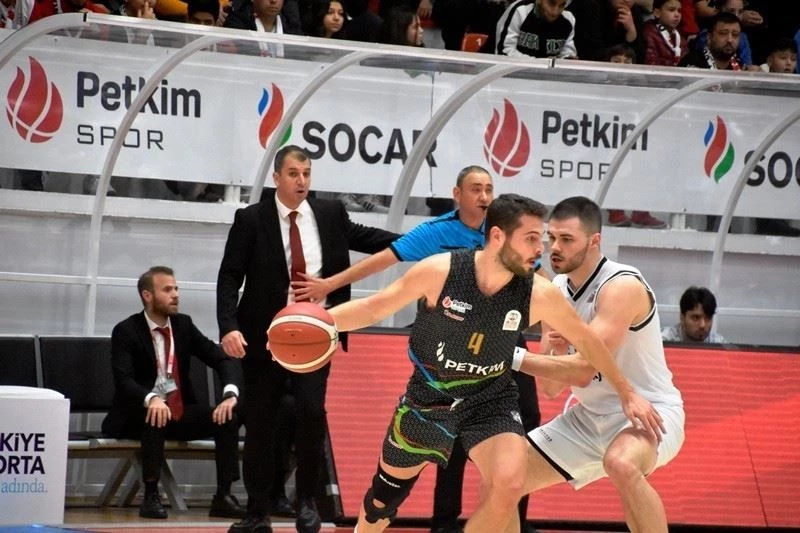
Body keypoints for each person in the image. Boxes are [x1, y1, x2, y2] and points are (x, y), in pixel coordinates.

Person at [323, 193, 663, 533]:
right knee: (381, 504)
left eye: (541, 239)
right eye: (531, 238)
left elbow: (588, 342)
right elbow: (374, 308)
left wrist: (627, 392)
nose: (540, 249)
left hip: (490, 400)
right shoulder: (441, 271)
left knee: (510, 483)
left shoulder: (539, 292)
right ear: (498, 236)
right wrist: (320, 321)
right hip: (428, 398)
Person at [294, 166, 543, 533]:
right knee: (448, 438)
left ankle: (512, 519)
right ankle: (444, 521)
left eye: (489, 188)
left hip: (502, 340)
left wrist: (555, 335)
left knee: (527, 422)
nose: (484, 196)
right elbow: (384, 260)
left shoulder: (511, 232)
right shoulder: (438, 233)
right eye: (476, 189)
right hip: (452, 343)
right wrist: (330, 284)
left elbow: (540, 284)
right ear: (457, 194)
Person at [216, 145, 399, 533]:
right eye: (294, 174)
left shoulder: (330, 213)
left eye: (307, 174)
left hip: (315, 337)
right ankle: (257, 512)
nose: (302, 181)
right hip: (265, 338)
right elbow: (230, 276)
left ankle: (307, 503)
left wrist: (425, 242)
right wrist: (228, 326)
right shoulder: (251, 219)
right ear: (277, 178)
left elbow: (369, 238)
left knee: (312, 413)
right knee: (261, 423)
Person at [512, 196, 685, 533]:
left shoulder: (621, 286)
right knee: (504, 478)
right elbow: (552, 389)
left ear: (594, 241)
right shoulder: (554, 290)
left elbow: (583, 371)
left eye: (566, 239)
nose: (554, 248)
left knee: (620, 463)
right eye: (551, 237)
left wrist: (511, 357)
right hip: (588, 418)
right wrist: (557, 349)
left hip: (647, 412)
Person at [102, 266, 245, 520]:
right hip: (137, 414)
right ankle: (150, 495)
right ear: (147, 295)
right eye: (167, 290)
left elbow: (222, 359)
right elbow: (124, 381)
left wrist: (230, 393)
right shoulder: (126, 330)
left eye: (176, 289)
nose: (176, 294)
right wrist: (151, 398)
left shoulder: (183, 325)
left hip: (178, 411)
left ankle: (223, 495)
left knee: (226, 417)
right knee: (155, 416)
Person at [495, 0, 577, 59]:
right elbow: (504, 52)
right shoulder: (520, 11)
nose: (555, 12)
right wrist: (541, 63)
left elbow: (568, 53)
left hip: (550, 75)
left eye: (562, 5)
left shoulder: (568, 19)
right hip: (512, 73)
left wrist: (567, 59)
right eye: (551, 3)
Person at [679, 11, 743, 69]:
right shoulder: (692, 63)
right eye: (723, 33)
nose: (730, 40)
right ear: (709, 37)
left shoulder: (740, 66)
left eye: (735, 34)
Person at [661, 285, 726, 343]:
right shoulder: (662, 341)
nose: (702, 325)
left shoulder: (719, 343)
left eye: (708, 318)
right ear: (682, 317)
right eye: (696, 318)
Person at [642, 0, 685, 66]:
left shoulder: (679, 35)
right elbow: (650, 64)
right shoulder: (648, 34)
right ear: (657, 13)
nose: (677, 15)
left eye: (679, 11)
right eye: (671, 10)